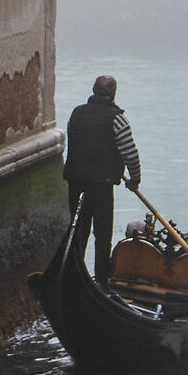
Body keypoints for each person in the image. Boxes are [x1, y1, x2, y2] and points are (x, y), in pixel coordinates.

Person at [63, 75, 141, 281]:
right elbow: (130, 153)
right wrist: (135, 179)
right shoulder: (117, 119)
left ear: (93, 90)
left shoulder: (77, 114)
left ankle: (74, 274)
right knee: (103, 233)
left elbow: (72, 140)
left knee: (78, 229)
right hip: (101, 184)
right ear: (114, 93)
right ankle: (102, 278)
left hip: (76, 181)